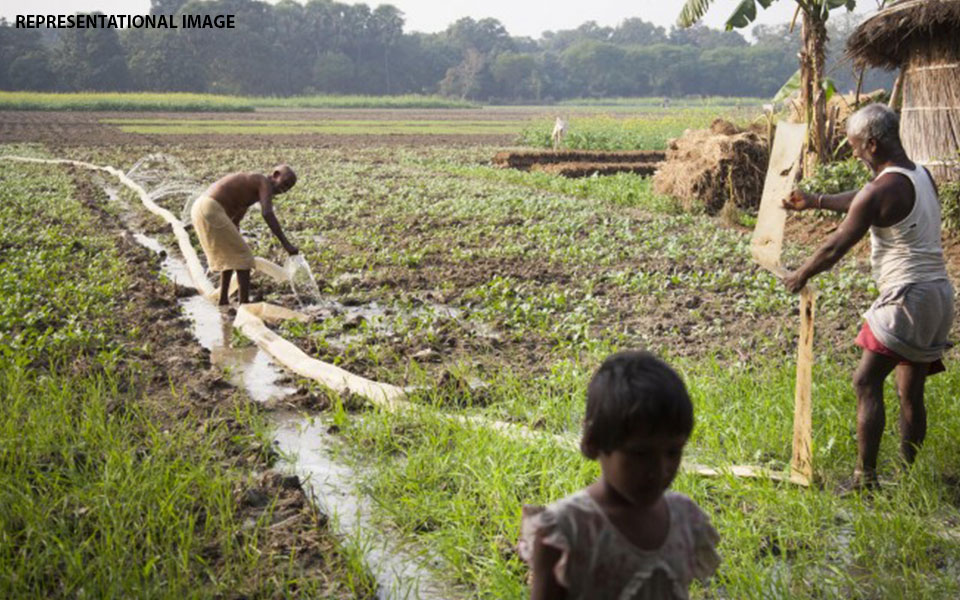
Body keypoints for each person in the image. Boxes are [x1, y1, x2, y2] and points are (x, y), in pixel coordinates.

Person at [782, 103, 954, 489]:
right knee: (911, 390)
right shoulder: (918, 174)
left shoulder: (880, 189)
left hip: (906, 298)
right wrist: (815, 200)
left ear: (872, 143)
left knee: (865, 381)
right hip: (938, 296)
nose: (855, 152)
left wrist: (800, 274)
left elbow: (835, 247)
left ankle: (865, 480)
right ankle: (907, 479)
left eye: (856, 146)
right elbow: (864, 199)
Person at [518, 350, 720, 599]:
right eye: (640, 454)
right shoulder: (566, 531)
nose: (659, 470)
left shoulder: (685, 519)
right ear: (594, 443)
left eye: (673, 452)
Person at [191, 165, 300, 306]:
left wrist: (235, 236)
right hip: (210, 208)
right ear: (275, 174)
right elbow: (267, 213)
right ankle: (245, 305)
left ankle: (223, 300)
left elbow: (236, 220)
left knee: (230, 255)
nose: (283, 190)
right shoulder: (262, 181)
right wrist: (287, 244)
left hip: (202, 207)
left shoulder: (251, 189)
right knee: (244, 257)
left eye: (287, 188)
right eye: (284, 184)